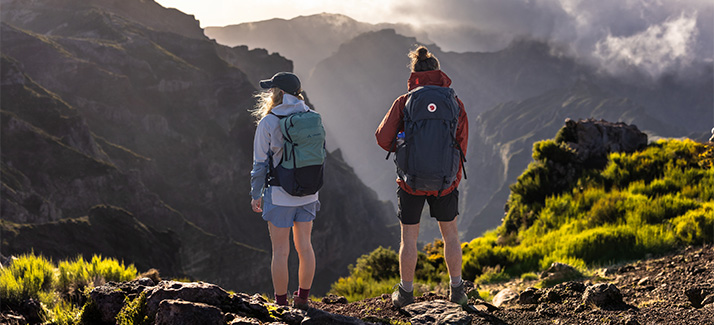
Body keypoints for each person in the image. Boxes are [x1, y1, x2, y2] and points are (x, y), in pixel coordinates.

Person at [375, 46, 469, 307]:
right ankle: (457, 290)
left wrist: (404, 147)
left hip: (410, 181)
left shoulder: (404, 101)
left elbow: (382, 138)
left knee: (409, 238)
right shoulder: (454, 102)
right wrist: (452, 178)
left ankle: (405, 293)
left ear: (414, 74)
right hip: (445, 183)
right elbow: (461, 144)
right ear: (438, 72)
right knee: (450, 236)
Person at [250, 72, 318, 309]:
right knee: (305, 246)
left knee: (280, 251)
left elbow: (259, 164)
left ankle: (280, 305)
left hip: (280, 194)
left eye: (271, 89)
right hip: (309, 193)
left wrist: (255, 194)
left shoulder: (269, 121)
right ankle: (302, 299)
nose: (269, 93)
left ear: (278, 92)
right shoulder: (312, 116)